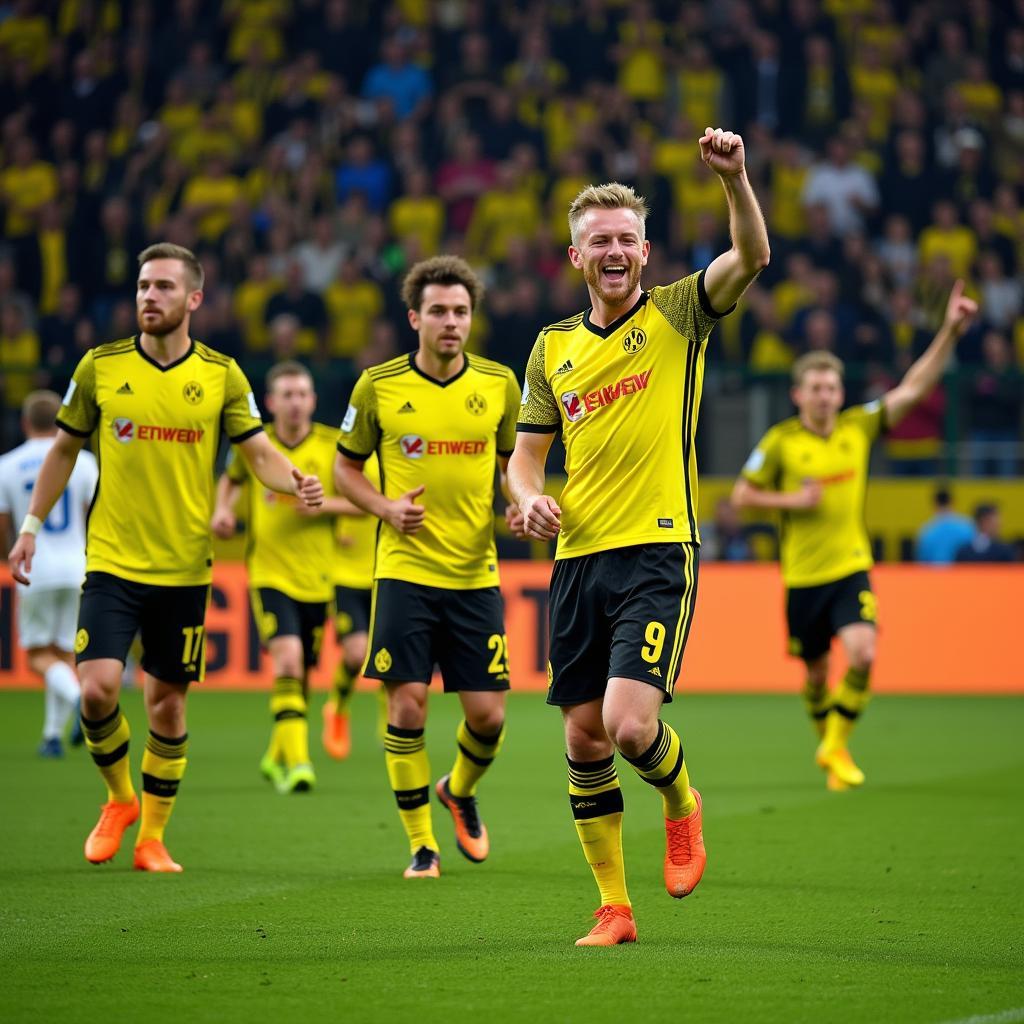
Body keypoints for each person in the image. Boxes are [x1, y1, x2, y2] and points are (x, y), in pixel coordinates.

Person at [509, 126, 771, 948]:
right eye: (599, 242)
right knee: (583, 735)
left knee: (627, 725)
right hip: (576, 558)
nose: (614, 251)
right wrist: (527, 501)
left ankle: (681, 800)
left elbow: (752, 258)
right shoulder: (551, 349)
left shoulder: (679, 312)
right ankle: (614, 908)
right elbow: (523, 463)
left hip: (659, 548)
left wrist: (734, 180)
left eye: (626, 239)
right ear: (575, 256)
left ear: (646, 251)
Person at [7, 243, 324, 873]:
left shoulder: (222, 375)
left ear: (194, 299)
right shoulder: (99, 367)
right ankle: (120, 799)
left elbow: (256, 452)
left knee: (167, 706)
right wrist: (30, 526)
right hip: (114, 562)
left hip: (184, 567)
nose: (149, 297)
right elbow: (63, 452)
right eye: (143, 287)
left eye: (163, 288)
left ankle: (152, 837)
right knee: (97, 692)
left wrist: (296, 480)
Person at [731, 282, 978, 793]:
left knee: (863, 653)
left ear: (841, 393)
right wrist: (790, 502)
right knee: (817, 675)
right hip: (802, 577)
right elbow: (740, 497)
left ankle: (834, 744)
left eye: (832, 388)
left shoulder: (857, 428)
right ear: (799, 394)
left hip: (849, 566)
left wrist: (950, 330)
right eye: (815, 388)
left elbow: (913, 387)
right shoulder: (780, 443)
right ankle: (834, 748)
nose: (825, 396)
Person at [335, 254, 524, 880]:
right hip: (404, 572)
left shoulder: (499, 384)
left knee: (488, 716)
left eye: (461, 312)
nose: (451, 322)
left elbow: (511, 467)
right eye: (439, 311)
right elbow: (345, 469)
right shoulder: (378, 386)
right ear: (414, 317)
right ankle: (422, 846)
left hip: (475, 575)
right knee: (408, 706)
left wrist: (520, 504)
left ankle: (459, 790)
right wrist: (386, 508)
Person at [211, 360, 349, 794]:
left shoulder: (332, 446)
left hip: (318, 577)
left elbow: (364, 501)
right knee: (287, 661)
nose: (294, 403)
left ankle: (275, 753)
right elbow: (231, 481)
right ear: (270, 402)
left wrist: (321, 506)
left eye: (302, 394)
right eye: (286, 395)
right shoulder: (256, 445)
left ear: (312, 400)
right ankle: (299, 761)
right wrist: (222, 510)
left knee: (302, 674)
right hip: (269, 573)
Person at [0, 390, 97, 757]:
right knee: (65, 655)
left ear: (25, 423)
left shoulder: (7, 464)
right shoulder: (85, 463)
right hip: (79, 566)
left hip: (35, 566)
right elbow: (94, 515)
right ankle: (52, 736)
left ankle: (78, 700)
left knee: (38, 655)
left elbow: (4, 524)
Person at [321, 450, 385, 761]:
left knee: (392, 653)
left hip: (388, 570)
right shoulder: (344, 455)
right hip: (346, 572)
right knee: (357, 653)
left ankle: (390, 724)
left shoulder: (401, 451)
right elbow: (322, 498)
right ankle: (338, 706)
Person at [916, 487, 975, 565]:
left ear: (934, 503)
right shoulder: (967, 526)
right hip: (961, 574)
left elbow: (922, 561)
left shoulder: (926, 530)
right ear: (952, 501)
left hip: (935, 574)